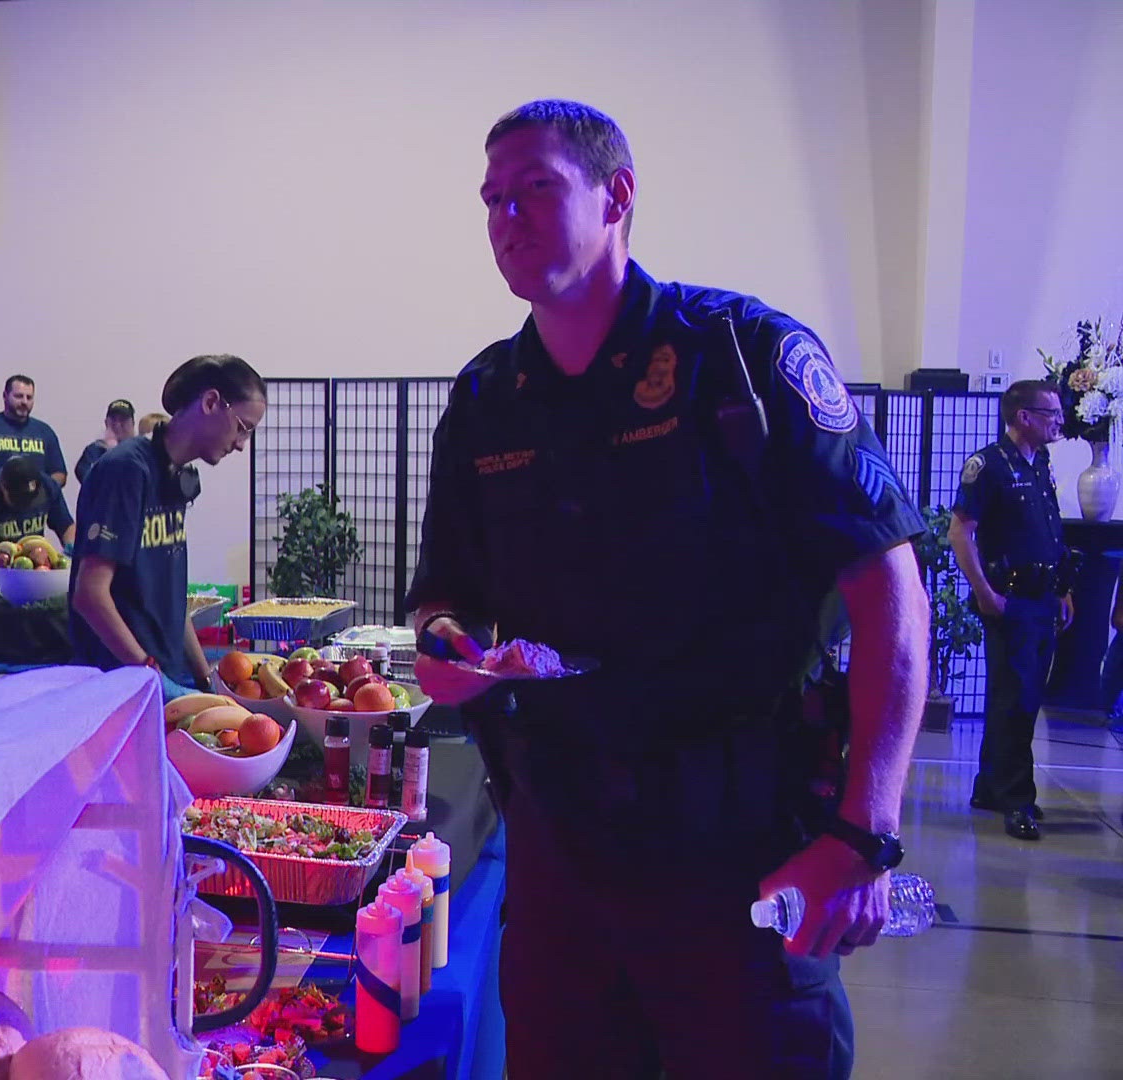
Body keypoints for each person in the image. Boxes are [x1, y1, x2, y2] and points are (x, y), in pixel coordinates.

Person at [408, 101, 927, 1078]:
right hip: (560, 858)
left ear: (618, 198)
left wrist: (865, 835)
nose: (507, 218)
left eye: (536, 190)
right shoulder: (484, 402)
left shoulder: (740, 356)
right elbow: (448, 594)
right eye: (491, 201)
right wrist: (449, 648)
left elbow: (890, 587)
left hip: (736, 850)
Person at [70, 355, 263, 698]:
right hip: (121, 686)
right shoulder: (126, 469)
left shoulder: (176, 475)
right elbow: (90, 595)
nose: (241, 444)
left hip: (158, 674)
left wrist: (205, 679)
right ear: (210, 402)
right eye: (242, 427)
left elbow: (170, 598)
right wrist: (148, 673)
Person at [949, 380, 1069, 842]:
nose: (1059, 421)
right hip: (1010, 596)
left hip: (1043, 595)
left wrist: (1064, 588)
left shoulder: (1041, 465)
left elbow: (1051, 529)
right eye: (1051, 413)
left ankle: (989, 786)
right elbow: (961, 532)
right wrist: (983, 591)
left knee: (1021, 695)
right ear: (1023, 416)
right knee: (1015, 699)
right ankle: (1016, 799)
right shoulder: (990, 466)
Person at [0, 455, 76, 615]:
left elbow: (67, 526)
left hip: (26, 579)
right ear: (3, 487)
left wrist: (70, 552)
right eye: (18, 500)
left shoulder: (47, 486)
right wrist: (16, 564)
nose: (23, 507)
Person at [0, 374, 67, 486]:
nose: (24, 402)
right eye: (19, 396)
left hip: (36, 499)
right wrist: (8, 488)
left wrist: (41, 489)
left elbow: (59, 473)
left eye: (29, 397)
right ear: (5, 396)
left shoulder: (45, 431)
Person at [74, 399, 137, 486]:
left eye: (123, 420)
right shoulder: (93, 451)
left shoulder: (141, 452)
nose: (118, 425)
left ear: (133, 423)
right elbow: (86, 478)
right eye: (113, 420)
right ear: (106, 423)